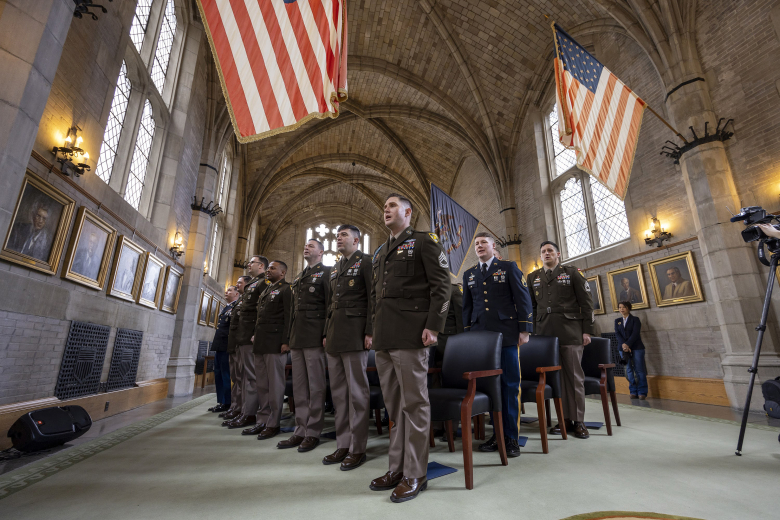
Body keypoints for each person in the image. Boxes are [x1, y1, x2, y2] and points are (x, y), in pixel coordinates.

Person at [370, 193, 451, 503]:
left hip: (411, 334)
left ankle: (415, 473)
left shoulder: (423, 241)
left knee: (414, 405)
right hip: (384, 337)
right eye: (385, 205)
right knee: (394, 408)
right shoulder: (381, 251)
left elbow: (441, 286)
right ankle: (397, 467)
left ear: (407, 211)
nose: (386, 209)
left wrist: (433, 326)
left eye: (391, 205)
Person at [462, 232, 532, 458]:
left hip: (507, 335)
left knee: (509, 386)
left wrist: (525, 329)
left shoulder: (508, 267)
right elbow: (467, 307)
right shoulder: (469, 274)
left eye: (483, 242)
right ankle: (497, 434)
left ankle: (511, 437)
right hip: (481, 339)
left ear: (493, 246)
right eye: (476, 244)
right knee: (490, 388)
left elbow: (523, 298)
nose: (479, 246)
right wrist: (468, 335)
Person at [527, 241, 594, 440]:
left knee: (574, 377)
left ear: (558, 254)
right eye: (543, 252)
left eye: (550, 251)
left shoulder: (572, 273)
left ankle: (578, 420)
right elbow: (530, 306)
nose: (546, 253)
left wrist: (587, 331)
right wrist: (531, 331)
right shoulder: (533, 277)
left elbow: (587, 304)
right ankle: (563, 419)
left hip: (570, 331)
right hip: (545, 333)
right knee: (555, 379)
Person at [322, 224, 374, 470]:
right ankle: (342, 443)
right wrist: (325, 333)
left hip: (355, 334)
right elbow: (330, 304)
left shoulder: (366, 261)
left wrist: (370, 331)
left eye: (343, 235)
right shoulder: (336, 267)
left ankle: (357, 447)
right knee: (339, 395)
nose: (338, 238)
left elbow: (373, 298)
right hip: (334, 336)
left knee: (357, 394)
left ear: (357, 239)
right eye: (337, 235)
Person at [278, 240, 332, 452]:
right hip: (298, 337)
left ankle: (313, 431)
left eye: (311, 246)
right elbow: (293, 310)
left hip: (314, 335)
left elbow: (329, 305)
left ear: (321, 252)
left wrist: (326, 332)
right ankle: (300, 429)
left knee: (315, 386)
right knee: (299, 387)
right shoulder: (300, 277)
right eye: (305, 245)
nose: (306, 247)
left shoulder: (326, 273)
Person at [225, 256, 268, 430]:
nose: (248, 265)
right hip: (242, 336)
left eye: (252, 262)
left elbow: (262, 310)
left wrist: (255, 333)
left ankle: (250, 413)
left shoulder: (262, 283)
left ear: (261, 266)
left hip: (250, 335)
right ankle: (243, 410)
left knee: (251, 377)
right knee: (243, 377)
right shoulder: (253, 285)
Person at [253, 260, 292, 440]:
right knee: (262, 383)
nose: (268, 270)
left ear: (282, 273)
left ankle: (273, 422)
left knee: (275, 385)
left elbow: (289, 317)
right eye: (268, 268)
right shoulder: (267, 289)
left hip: (276, 342)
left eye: (273, 268)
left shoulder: (286, 289)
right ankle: (262, 420)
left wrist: (286, 341)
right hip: (261, 342)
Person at [221, 275, 251, 420]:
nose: (237, 285)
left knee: (244, 378)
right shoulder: (239, 301)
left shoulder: (247, 299)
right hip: (235, 342)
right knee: (236, 377)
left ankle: (244, 409)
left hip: (244, 341)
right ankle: (236, 407)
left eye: (240, 283)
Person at [209, 285, 239, 413]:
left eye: (230, 290)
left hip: (227, 345)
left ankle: (227, 402)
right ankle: (221, 401)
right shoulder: (226, 307)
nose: (226, 292)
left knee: (226, 375)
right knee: (218, 374)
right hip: (219, 345)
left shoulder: (236, 307)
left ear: (237, 294)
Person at [615, 301, 647, 399]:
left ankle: (642, 392)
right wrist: (624, 346)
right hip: (623, 349)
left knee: (639, 370)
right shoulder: (617, 321)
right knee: (628, 369)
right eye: (620, 307)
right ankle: (633, 391)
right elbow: (617, 334)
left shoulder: (635, 319)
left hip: (637, 347)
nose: (621, 309)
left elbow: (635, 333)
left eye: (623, 307)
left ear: (628, 308)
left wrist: (628, 344)